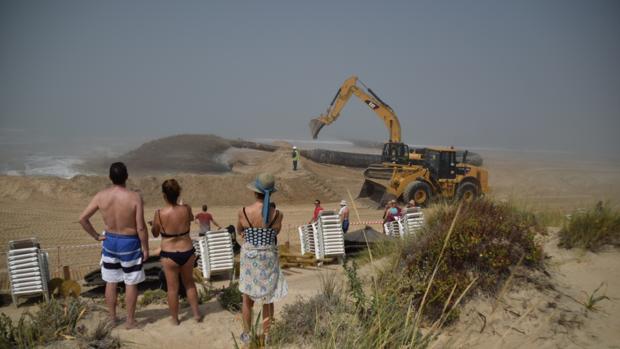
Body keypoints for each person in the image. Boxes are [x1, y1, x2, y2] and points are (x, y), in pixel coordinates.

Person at [78, 162, 148, 329]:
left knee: (111, 281)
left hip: (109, 243)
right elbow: (140, 227)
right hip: (129, 244)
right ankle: (130, 321)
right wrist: (145, 248)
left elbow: (82, 219)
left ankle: (113, 318)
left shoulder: (101, 196)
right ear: (127, 176)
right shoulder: (134, 197)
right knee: (131, 283)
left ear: (110, 177)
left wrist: (96, 236)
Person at [237, 173, 287, 346]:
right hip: (268, 257)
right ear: (271, 193)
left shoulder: (243, 212)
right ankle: (267, 335)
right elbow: (275, 234)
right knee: (268, 297)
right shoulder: (277, 215)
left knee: (246, 298)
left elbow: (240, 230)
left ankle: (246, 334)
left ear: (255, 191)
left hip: (250, 258)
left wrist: (248, 234)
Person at [151, 179, 202, 325]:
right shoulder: (186, 208)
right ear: (178, 192)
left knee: (172, 289)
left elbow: (155, 233)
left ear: (164, 195)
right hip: (187, 250)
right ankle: (197, 314)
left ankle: (175, 319)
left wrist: (154, 225)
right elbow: (190, 219)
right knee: (189, 283)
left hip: (169, 253)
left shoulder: (159, 213)